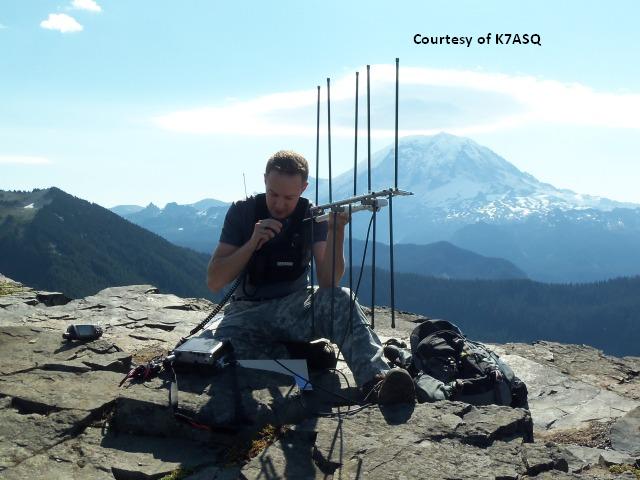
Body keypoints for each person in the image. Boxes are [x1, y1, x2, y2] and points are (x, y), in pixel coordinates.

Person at [206, 150, 415, 405]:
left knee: (342, 299)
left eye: (289, 197)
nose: (280, 204)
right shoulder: (243, 212)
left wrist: (336, 232)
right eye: (273, 194)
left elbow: (328, 283)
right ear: (264, 180)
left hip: (296, 307)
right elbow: (215, 281)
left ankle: (377, 382)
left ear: (304, 188)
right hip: (246, 312)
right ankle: (302, 358)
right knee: (223, 352)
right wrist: (251, 243)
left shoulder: (312, 215)